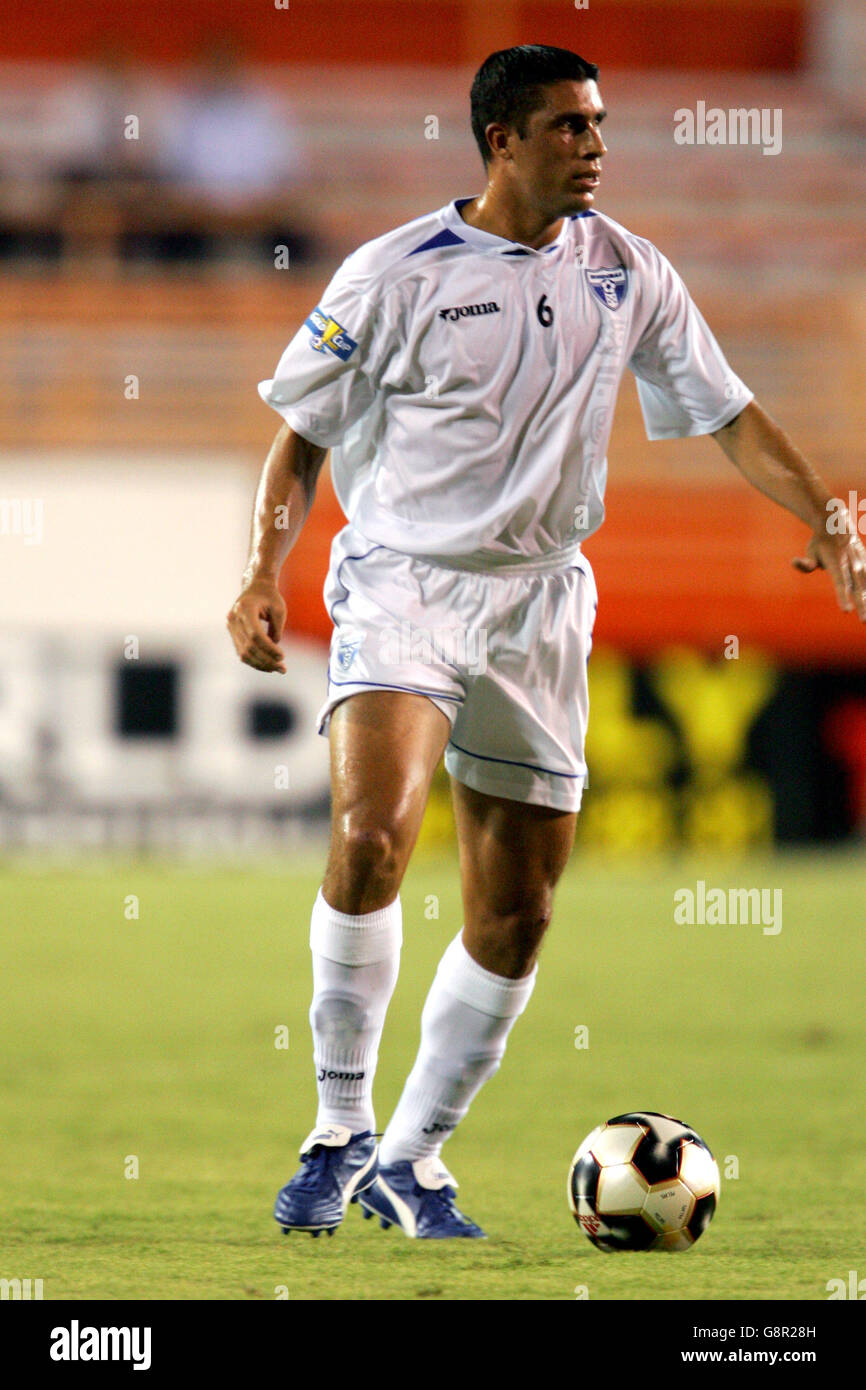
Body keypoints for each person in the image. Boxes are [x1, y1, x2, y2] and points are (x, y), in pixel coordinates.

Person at [226, 45, 866, 1240]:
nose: (594, 144)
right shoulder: (393, 274)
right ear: (501, 140)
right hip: (405, 584)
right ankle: (336, 1129)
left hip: (540, 603)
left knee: (516, 910)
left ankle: (411, 1161)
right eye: (569, 126)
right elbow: (299, 434)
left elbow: (724, 409)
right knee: (372, 835)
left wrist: (822, 512)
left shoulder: (627, 270)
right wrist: (262, 569)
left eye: (599, 123)